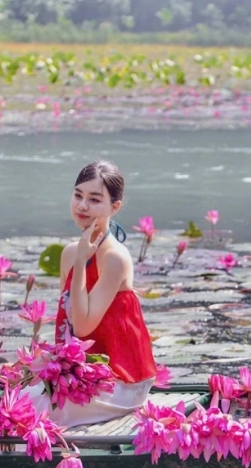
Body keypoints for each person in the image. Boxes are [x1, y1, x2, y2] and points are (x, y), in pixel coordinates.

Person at [30, 159, 158, 428]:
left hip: (122, 383)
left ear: (115, 207)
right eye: (78, 195)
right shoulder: (68, 253)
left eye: (94, 199)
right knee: (20, 400)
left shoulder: (115, 259)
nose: (82, 206)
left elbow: (84, 326)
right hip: (84, 376)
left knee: (35, 412)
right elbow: (67, 324)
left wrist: (81, 261)